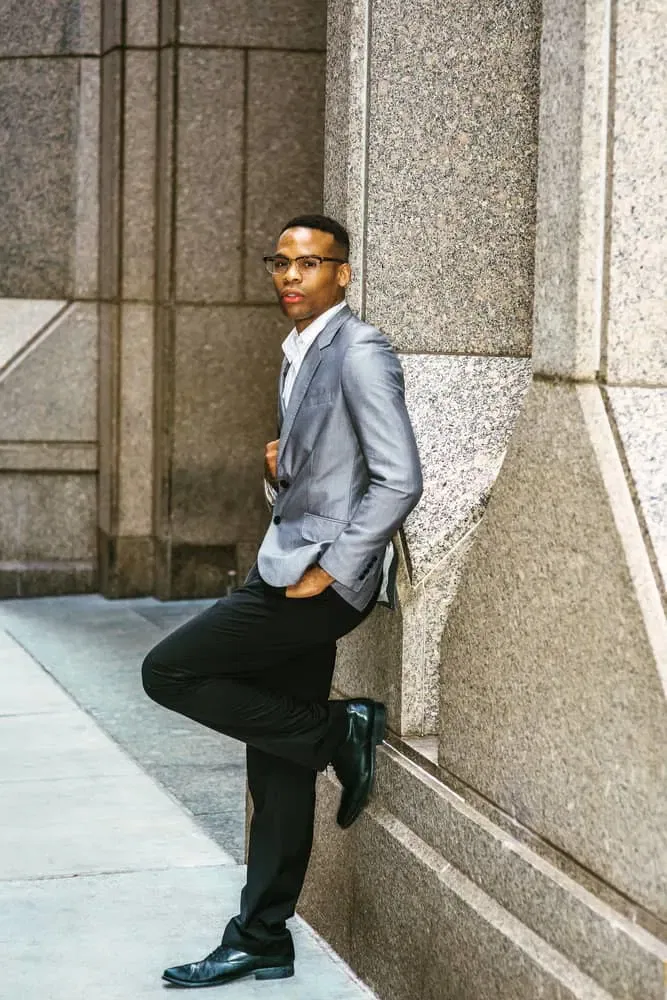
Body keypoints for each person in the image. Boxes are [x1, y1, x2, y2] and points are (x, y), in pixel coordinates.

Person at [142, 214, 423, 988]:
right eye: (281, 262)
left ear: (343, 274)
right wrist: (278, 471)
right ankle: (263, 933)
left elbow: (399, 477)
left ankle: (340, 727)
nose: (292, 275)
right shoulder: (300, 349)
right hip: (291, 561)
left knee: (168, 672)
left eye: (311, 263)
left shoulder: (358, 348)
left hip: (314, 584)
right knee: (274, 762)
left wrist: (332, 570)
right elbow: (322, 476)